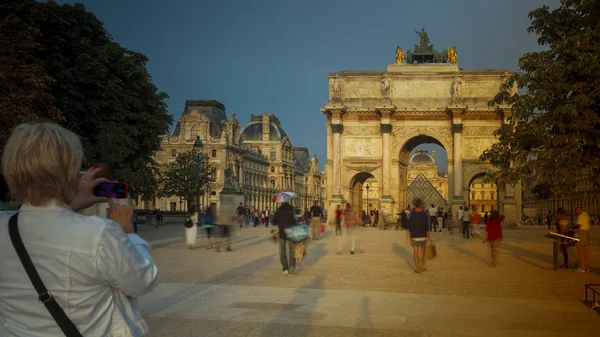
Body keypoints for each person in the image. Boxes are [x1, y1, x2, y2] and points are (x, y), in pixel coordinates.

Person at [0, 122, 159, 336]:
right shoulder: (99, 233)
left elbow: (41, 223)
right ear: (69, 174)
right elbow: (142, 281)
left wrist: (70, 205)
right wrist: (126, 230)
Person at [406, 198, 433, 273]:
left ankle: (417, 268)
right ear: (420, 204)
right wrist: (429, 237)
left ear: (414, 204)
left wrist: (410, 235)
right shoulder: (424, 214)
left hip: (414, 236)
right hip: (423, 235)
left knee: (416, 252)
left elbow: (409, 226)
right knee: (423, 253)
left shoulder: (411, 214)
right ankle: (422, 267)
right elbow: (426, 227)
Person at [272, 202, 296, 275]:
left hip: (282, 231)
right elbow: (294, 221)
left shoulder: (278, 210)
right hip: (290, 231)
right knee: (291, 250)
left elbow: (274, 222)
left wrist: (279, 222)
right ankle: (291, 267)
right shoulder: (292, 210)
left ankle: (285, 268)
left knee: (282, 250)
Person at [575, 206, 591, 272]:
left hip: (581, 233)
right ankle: (587, 267)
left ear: (579, 210)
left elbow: (579, 226)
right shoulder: (587, 216)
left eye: (576, 212)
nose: (576, 213)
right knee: (586, 252)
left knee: (580, 251)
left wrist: (574, 227)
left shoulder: (581, 216)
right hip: (586, 233)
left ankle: (582, 268)